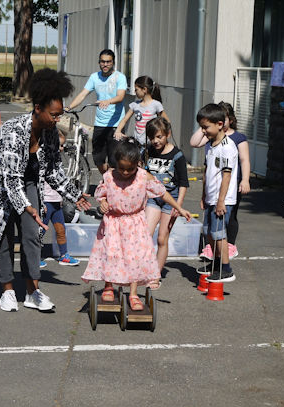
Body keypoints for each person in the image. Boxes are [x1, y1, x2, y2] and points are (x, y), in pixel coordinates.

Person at [0, 68, 91, 312]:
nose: (57, 120)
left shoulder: (51, 133)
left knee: (32, 233)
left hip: (28, 180)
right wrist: (28, 207)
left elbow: (53, 171)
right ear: (38, 108)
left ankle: (32, 291)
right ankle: (7, 291)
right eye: (54, 115)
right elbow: (10, 180)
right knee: (4, 235)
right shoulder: (14, 132)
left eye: (59, 115)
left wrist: (74, 195)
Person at [82, 138, 191, 310]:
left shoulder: (143, 176)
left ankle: (133, 293)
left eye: (130, 169)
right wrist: (102, 203)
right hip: (113, 222)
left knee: (135, 258)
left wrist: (180, 208)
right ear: (116, 163)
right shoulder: (109, 177)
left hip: (135, 223)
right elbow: (101, 195)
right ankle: (109, 286)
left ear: (138, 164)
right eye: (122, 168)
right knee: (112, 254)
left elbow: (163, 193)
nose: (125, 172)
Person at [191, 101, 251, 260]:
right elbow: (194, 143)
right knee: (211, 227)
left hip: (231, 185)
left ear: (228, 120)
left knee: (227, 220)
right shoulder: (211, 138)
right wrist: (204, 124)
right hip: (213, 188)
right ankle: (216, 254)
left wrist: (245, 180)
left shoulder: (235, 140)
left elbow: (244, 160)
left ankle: (228, 249)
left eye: (223, 118)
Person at [142, 117, 189, 290]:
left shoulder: (177, 155)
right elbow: (142, 174)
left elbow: (184, 183)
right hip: (153, 198)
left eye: (159, 137)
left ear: (167, 134)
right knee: (146, 234)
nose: (155, 141)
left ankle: (155, 275)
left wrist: (179, 206)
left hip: (172, 200)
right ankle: (144, 270)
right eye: (152, 137)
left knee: (162, 238)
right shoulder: (147, 151)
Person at [197, 103, 239, 282]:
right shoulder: (212, 145)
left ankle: (226, 269)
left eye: (206, 127)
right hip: (211, 198)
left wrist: (221, 201)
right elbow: (208, 172)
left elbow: (226, 176)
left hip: (223, 199)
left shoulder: (227, 147)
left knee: (219, 233)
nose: (203, 131)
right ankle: (215, 263)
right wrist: (204, 195)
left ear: (220, 124)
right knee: (209, 231)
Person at [67, 49, 127, 174]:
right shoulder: (94, 77)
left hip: (116, 125)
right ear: (99, 62)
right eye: (102, 62)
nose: (105, 64)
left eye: (108, 62)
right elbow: (83, 94)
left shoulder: (120, 77)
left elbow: (120, 96)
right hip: (100, 123)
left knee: (114, 160)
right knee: (98, 159)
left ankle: (112, 185)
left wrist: (108, 101)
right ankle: (107, 180)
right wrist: (69, 107)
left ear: (113, 62)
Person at [40, 132, 80, 268]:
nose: (62, 148)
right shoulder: (43, 161)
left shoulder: (57, 159)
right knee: (40, 231)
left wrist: (63, 197)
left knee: (61, 230)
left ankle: (64, 255)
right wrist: (40, 203)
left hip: (56, 201)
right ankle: (35, 256)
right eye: (60, 145)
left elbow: (62, 181)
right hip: (45, 201)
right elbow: (38, 183)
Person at [114, 75, 170, 148]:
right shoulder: (135, 105)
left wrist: (162, 137)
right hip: (137, 144)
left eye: (136, 89)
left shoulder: (156, 104)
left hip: (151, 144)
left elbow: (167, 121)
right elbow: (124, 120)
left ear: (144, 89)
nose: (135, 91)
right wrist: (118, 131)